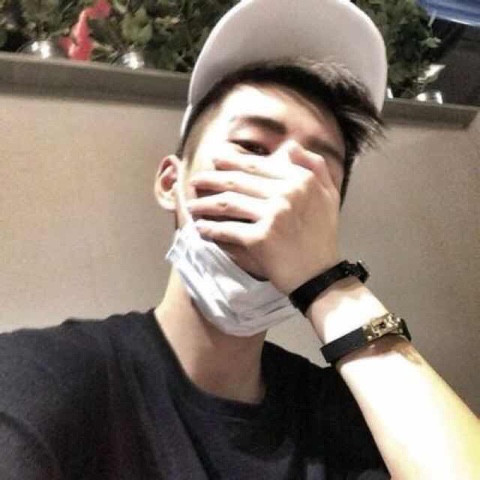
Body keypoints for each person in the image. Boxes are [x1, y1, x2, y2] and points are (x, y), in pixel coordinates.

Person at [1, 0, 479, 479]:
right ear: (171, 183)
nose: (285, 188)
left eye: (316, 175)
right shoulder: (45, 376)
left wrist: (329, 285)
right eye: (252, 147)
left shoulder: (341, 416)